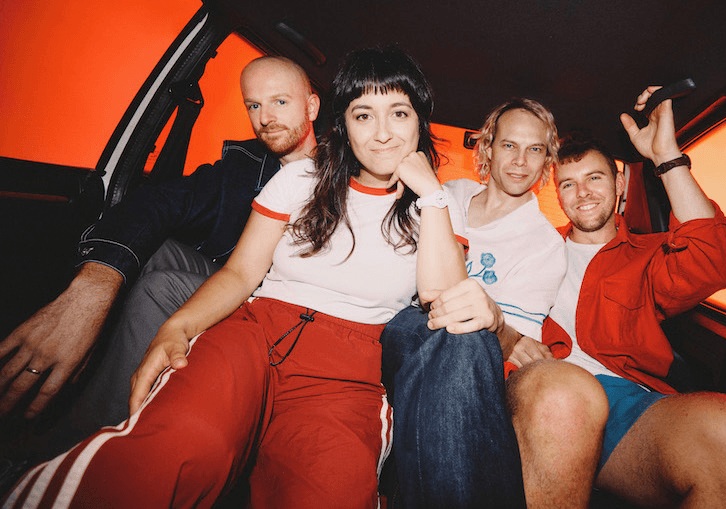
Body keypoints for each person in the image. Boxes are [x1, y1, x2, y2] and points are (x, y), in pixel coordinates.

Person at [3, 46, 467, 508]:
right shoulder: (300, 178)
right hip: (255, 333)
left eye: (399, 113)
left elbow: (439, 295)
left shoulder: (442, 207)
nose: (383, 133)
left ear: (420, 121)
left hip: (346, 378)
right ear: (344, 124)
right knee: (178, 445)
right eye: (364, 115)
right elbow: (242, 272)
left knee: (333, 488)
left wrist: (429, 194)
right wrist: (177, 329)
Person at [506, 86, 726, 507]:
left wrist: (666, 157)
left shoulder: (650, 254)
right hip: (538, 390)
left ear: (618, 184)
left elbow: (715, 261)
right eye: (568, 184)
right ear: (557, 194)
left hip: (625, 403)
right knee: (562, 394)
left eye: (595, 177)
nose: (583, 193)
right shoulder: (533, 248)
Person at [0, 56, 320, 459]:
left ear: (311, 107)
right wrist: (95, 284)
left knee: (161, 285)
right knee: (146, 251)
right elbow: (159, 201)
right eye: (253, 105)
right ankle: (76, 363)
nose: (265, 118)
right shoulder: (243, 166)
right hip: (232, 275)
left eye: (279, 102)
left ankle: (78, 451)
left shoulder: (347, 167)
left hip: (286, 304)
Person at [380, 98, 573, 508]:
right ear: (486, 149)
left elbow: (512, 348)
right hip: (401, 329)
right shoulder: (448, 193)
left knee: (467, 339)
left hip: (466, 359)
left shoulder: (545, 245)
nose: (521, 161)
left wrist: (497, 321)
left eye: (535, 149)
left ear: (547, 161)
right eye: (509, 145)